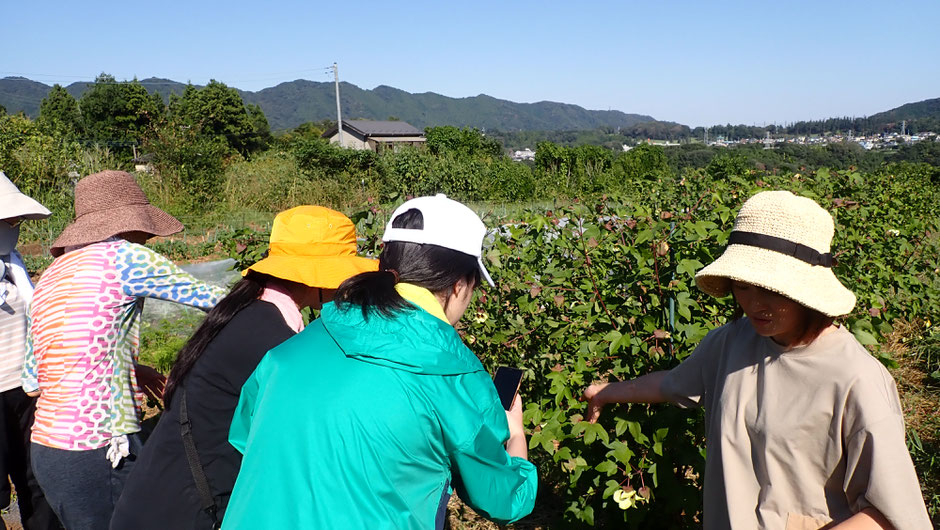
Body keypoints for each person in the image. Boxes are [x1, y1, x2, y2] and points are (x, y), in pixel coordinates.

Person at [583, 190, 931, 529]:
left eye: (770, 289)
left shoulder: (856, 378)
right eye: (744, 286)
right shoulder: (730, 343)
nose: (753, 304)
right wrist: (606, 391)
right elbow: (673, 383)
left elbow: (891, 515)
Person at [222, 194, 538, 529]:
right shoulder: (452, 374)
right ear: (459, 285)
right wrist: (515, 435)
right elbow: (504, 499)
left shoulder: (296, 347)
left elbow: (245, 436)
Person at [109, 205, 378, 530]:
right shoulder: (273, 340)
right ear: (317, 273)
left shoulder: (249, 311)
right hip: (182, 512)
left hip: (161, 499)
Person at [22, 170, 228, 530]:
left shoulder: (51, 275)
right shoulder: (126, 257)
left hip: (49, 452)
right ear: (128, 223)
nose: (148, 236)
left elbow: (33, 380)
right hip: (99, 450)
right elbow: (216, 301)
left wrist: (128, 368)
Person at [0, 172, 61, 530]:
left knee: (36, 479)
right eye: (8, 220)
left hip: (25, 387)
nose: (14, 227)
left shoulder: (14, 262)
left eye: (15, 220)